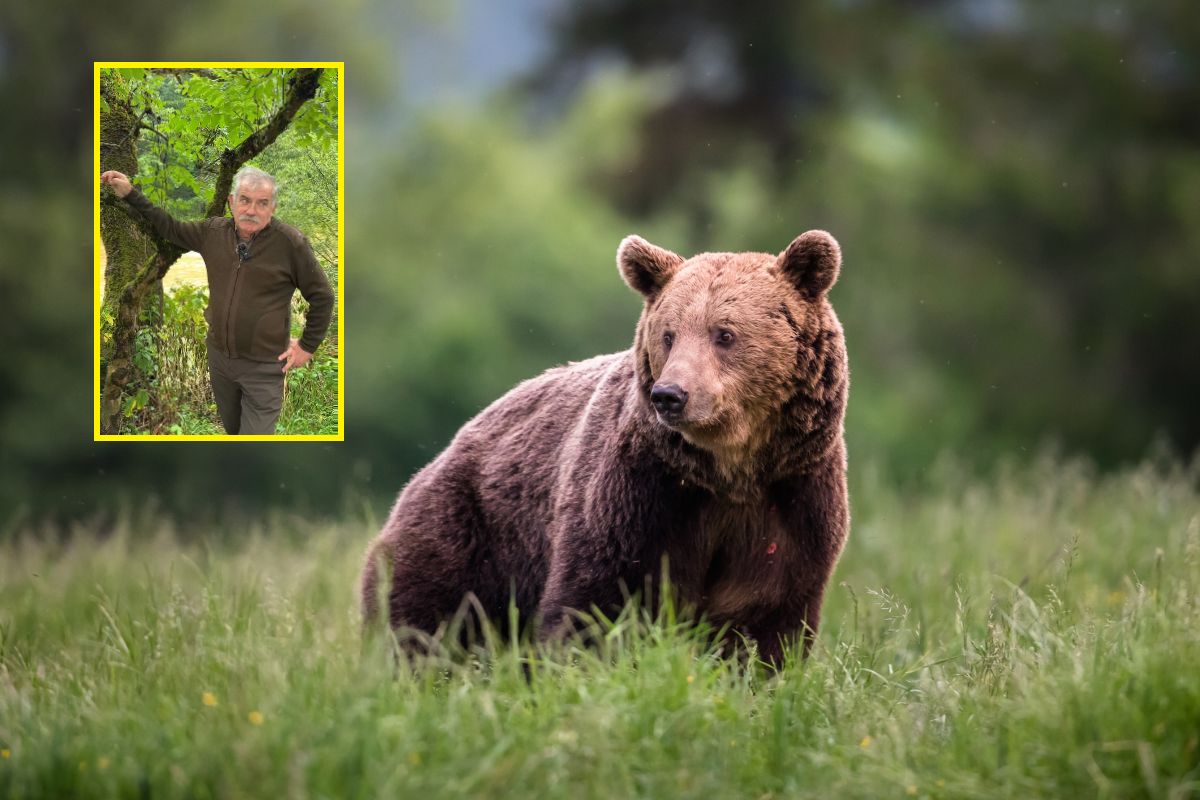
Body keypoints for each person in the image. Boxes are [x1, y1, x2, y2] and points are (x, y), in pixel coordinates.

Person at [100, 166, 334, 435]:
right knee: (233, 433)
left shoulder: (290, 243)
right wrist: (130, 194)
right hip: (220, 361)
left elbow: (323, 297)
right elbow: (170, 227)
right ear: (231, 202)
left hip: (264, 367)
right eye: (245, 200)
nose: (252, 210)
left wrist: (307, 346)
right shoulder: (213, 232)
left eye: (262, 203)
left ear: (273, 207)